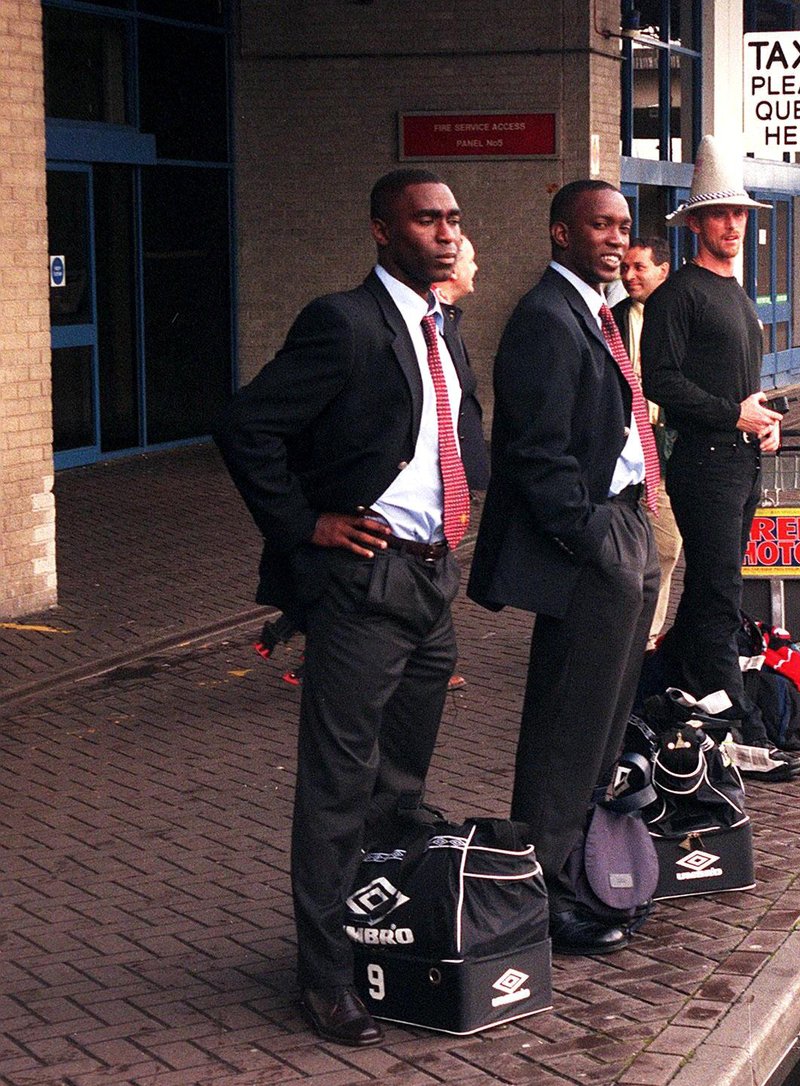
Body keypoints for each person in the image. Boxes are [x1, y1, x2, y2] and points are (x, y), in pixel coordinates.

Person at [213, 168, 487, 1046]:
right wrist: (307, 526)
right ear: (381, 231)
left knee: (400, 786)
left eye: (451, 219)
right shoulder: (343, 321)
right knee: (337, 786)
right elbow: (247, 426)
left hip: (430, 583)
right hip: (363, 585)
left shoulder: (445, 331)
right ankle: (323, 976)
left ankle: (381, 925)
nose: (445, 233)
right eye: (425, 219)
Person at [468, 180, 660, 957]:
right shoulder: (545, 318)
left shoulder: (594, 311)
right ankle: (541, 893)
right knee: (566, 724)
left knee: (605, 720)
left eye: (622, 226)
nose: (616, 239)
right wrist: (587, 534)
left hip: (623, 520)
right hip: (591, 538)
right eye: (599, 226)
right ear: (560, 233)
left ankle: (582, 867)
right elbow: (535, 450)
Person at [640, 135, 782, 736]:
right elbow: (662, 381)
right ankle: (734, 717)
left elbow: (738, 383)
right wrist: (734, 417)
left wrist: (764, 422)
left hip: (740, 459)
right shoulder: (678, 296)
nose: (733, 224)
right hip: (704, 463)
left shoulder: (733, 292)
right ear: (696, 222)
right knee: (720, 588)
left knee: (713, 585)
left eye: (740, 214)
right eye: (721, 214)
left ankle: (676, 690)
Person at [613, 236, 682, 648]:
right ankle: (631, 631)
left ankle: (649, 634)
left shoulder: (679, 315)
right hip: (627, 443)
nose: (629, 275)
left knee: (667, 544)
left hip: (669, 442)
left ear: (663, 269)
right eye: (625, 267)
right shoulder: (614, 317)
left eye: (639, 267)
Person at [436, 234, 479, 692]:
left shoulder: (449, 321)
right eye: (471, 260)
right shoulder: (433, 324)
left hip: (453, 475)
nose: (477, 268)